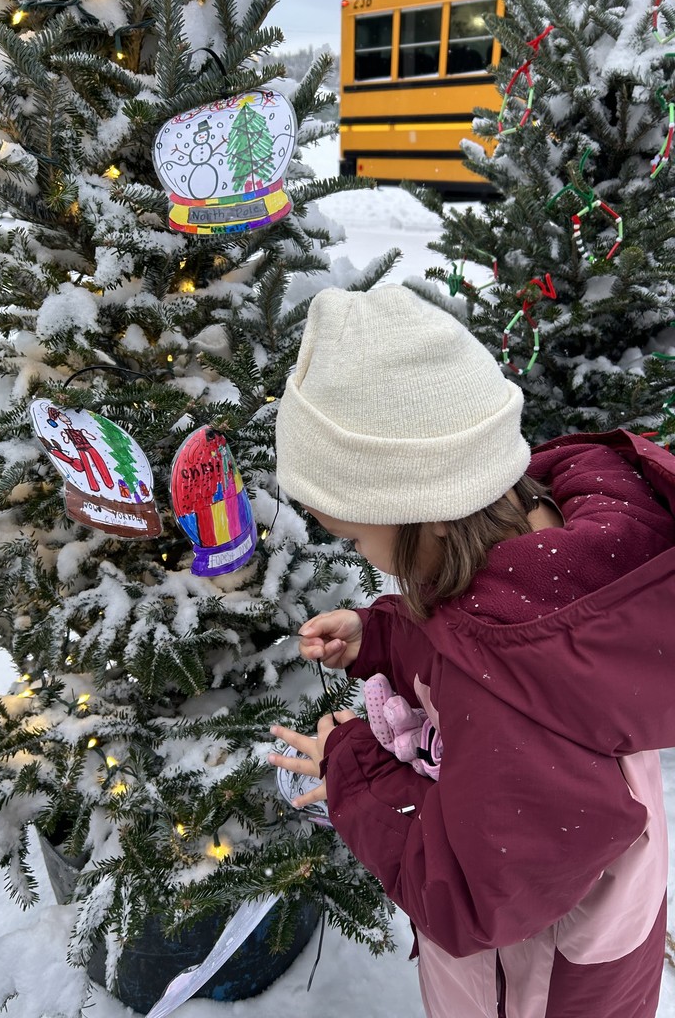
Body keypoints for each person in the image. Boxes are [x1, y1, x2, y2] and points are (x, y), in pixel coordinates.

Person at [268, 284, 675, 1018]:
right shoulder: (551, 537)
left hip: (539, 979)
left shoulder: (504, 681)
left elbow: (465, 894)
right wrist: (385, 632)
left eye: (358, 540)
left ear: (419, 511)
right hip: (601, 922)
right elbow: (487, 629)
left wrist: (351, 764)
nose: (365, 559)